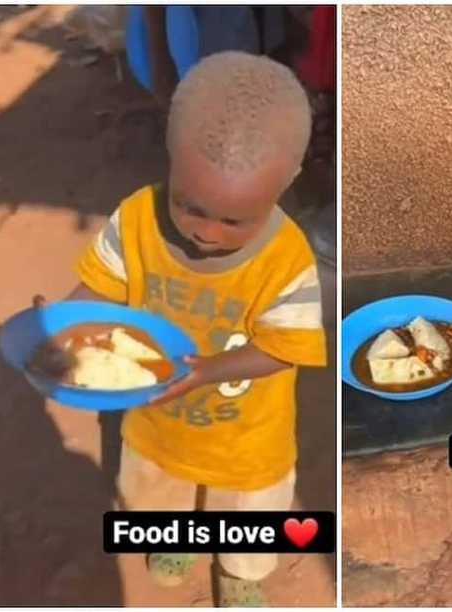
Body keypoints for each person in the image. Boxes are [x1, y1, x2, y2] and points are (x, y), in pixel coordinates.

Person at [45, 51, 327, 607]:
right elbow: (101, 285)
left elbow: (283, 348)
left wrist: (211, 371)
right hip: (158, 419)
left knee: (251, 506)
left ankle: (243, 570)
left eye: (234, 221)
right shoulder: (136, 220)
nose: (207, 234)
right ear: (170, 159)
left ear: (286, 183)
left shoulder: (287, 259)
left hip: (247, 433)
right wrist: (62, 326)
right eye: (191, 208)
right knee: (158, 488)